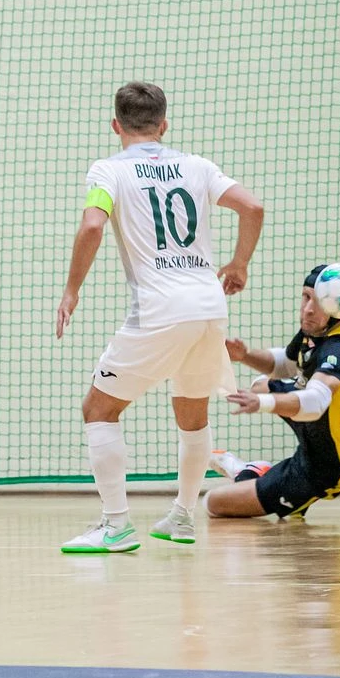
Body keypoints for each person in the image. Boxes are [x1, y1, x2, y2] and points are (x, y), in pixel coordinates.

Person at [56, 81, 265, 553]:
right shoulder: (197, 166)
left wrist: (71, 290)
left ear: (116, 126)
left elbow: (93, 224)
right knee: (192, 414)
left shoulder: (108, 171)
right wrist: (239, 264)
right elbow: (253, 206)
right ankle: (182, 517)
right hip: (209, 306)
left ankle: (116, 526)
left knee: (99, 410)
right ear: (163, 124)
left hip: (159, 309)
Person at [205, 264, 340, 520]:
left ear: (336, 308)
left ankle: (249, 472)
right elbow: (284, 364)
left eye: (319, 302)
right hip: (317, 430)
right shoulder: (317, 331)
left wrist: (262, 403)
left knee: (214, 503)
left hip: (331, 464)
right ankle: (265, 479)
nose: (308, 309)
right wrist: (244, 355)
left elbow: (315, 402)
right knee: (261, 383)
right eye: (306, 297)